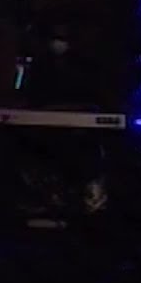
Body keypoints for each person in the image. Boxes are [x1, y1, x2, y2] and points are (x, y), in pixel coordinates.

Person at [18, 21, 107, 225]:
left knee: (84, 155)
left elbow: (91, 95)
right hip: (45, 128)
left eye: (63, 38)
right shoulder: (41, 66)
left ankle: (84, 201)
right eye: (55, 38)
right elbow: (32, 96)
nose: (58, 43)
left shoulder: (82, 66)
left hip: (77, 129)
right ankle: (44, 199)